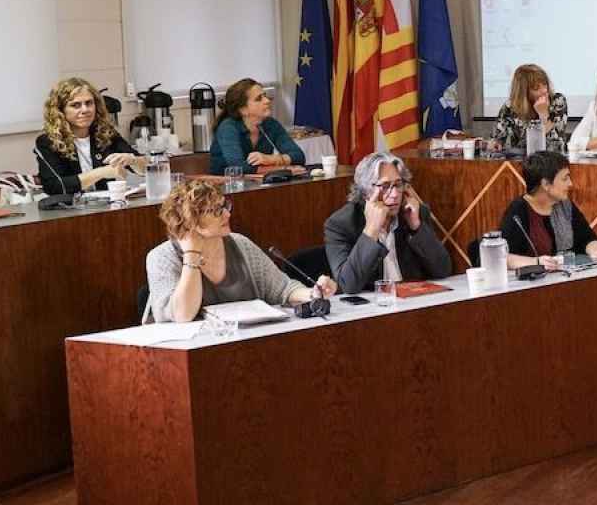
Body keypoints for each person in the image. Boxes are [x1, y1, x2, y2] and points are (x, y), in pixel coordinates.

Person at [143, 179, 337, 322]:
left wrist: (313, 294)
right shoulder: (161, 258)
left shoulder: (240, 244)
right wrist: (192, 255)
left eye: (225, 206)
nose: (227, 214)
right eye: (216, 211)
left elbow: (283, 289)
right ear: (191, 220)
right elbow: (182, 315)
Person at [324, 152, 453, 295]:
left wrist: (416, 227)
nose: (395, 194)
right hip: (372, 309)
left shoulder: (414, 213)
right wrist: (371, 230)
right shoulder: (341, 224)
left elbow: (443, 270)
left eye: (398, 184)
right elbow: (348, 285)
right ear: (366, 191)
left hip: (414, 303)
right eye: (385, 186)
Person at [498, 150, 597, 269]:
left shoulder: (565, 205)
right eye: (565, 179)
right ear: (546, 184)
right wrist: (536, 262)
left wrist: (596, 251)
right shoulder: (518, 211)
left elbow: (588, 239)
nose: (570, 184)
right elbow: (502, 257)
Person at [34, 77, 141, 195]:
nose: (85, 110)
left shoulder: (105, 133)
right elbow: (56, 187)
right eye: (75, 105)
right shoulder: (48, 141)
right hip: (69, 210)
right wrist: (101, 173)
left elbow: (146, 169)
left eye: (89, 103)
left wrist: (133, 160)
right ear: (60, 110)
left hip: (104, 206)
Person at [209, 78, 306, 175]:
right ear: (243, 110)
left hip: (260, 184)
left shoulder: (271, 124)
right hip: (227, 186)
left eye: (265, 96)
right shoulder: (228, 127)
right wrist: (281, 169)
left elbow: (298, 156)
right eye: (258, 99)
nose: (267, 101)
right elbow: (239, 167)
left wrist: (270, 159)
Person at [493, 64, 569, 154]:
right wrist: (496, 144)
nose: (544, 90)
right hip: (520, 162)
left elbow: (557, 147)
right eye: (537, 88)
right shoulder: (510, 107)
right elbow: (499, 141)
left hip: (551, 162)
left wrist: (543, 114)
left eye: (545, 84)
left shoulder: (557, 101)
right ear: (524, 92)